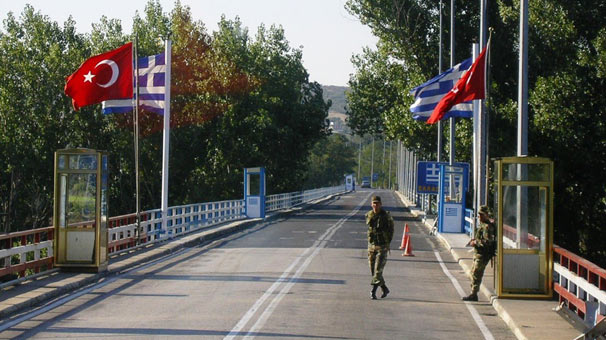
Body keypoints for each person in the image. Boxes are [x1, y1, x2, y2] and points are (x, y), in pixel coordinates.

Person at [462, 205, 497, 301]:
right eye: (479, 215)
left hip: (483, 254)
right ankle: (473, 292)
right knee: (473, 273)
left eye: (482, 215)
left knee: (476, 273)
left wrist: (475, 242)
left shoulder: (487, 227)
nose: (480, 217)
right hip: (479, 254)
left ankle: (473, 294)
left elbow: (487, 241)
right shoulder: (483, 225)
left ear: (486, 215)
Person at [365, 195, 395, 300]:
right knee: (373, 271)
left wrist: (387, 243)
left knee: (378, 271)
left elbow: (391, 230)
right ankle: (384, 288)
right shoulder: (369, 215)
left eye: (377, 203)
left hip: (382, 247)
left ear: (381, 204)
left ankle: (373, 292)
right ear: (371, 204)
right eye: (374, 203)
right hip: (372, 247)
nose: (375, 205)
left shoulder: (386, 216)